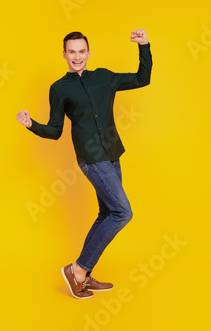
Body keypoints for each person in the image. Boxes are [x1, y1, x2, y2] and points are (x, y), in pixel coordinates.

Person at [16, 29, 152, 299]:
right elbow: (55, 131)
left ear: (88, 53)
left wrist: (144, 46)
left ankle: (83, 276)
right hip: (92, 160)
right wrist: (32, 125)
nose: (76, 56)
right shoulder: (59, 88)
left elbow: (142, 78)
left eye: (81, 51)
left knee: (107, 214)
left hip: (112, 154)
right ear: (64, 55)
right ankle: (77, 269)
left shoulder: (104, 77)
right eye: (71, 52)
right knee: (122, 212)